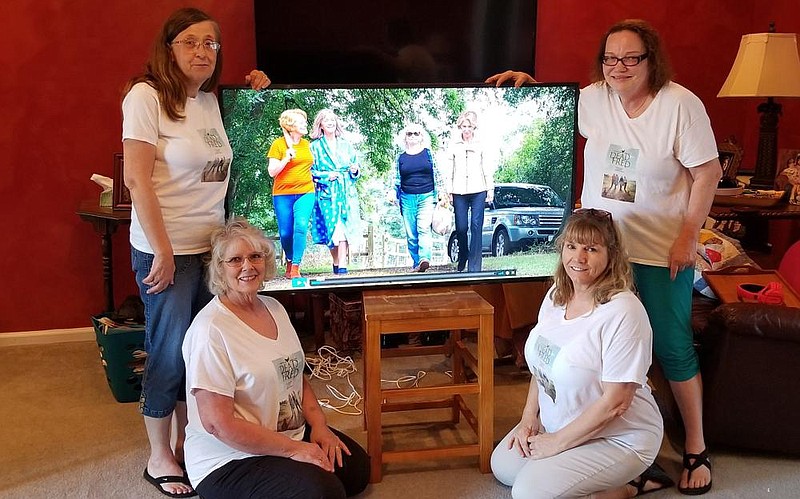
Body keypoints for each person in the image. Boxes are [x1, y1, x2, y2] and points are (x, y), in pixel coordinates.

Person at [488, 19, 721, 495]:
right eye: (611, 58)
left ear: (651, 60)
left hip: (660, 249)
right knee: (591, 350)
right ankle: (599, 446)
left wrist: (688, 235)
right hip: (601, 249)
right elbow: (559, 109)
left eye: (631, 57)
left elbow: (708, 172)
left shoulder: (680, 106)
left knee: (671, 346)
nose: (619, 67)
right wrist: (532, 86)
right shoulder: (594, 98)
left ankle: (695, 447)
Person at [122, 7, 270, 497]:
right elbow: (136, 178)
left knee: (204, 353)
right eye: (191, 41)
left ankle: (193, 440)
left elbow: (228, 159)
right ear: (169, 48)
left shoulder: (208, 101)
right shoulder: (145, 97)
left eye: (211, 43)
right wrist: (161, 250)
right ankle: (159, 455)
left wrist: (255, 95)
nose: (203, 51)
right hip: (167, 251)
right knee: (168, 352)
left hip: (211, 251)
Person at [182, 218, 370, 499]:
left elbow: (295, 376)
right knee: (325, 492)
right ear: (220, 269)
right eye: (235, 259)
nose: (248, 266)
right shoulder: (209, 330)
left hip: (283, 435)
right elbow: (217, 424)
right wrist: (296, 450)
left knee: (356, 470)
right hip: (229, 458)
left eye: (255, 256)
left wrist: (319, 426)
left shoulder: (274, 307)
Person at [491, 209, 669, 498]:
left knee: (528, 493)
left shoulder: (624, 312)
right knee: (503, 467)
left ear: (611, 255)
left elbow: (616, 403)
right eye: (571, 246)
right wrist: (528, 419)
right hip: (562, 423)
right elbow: (541, 367)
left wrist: (557, 442)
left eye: (591, 249)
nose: (579, 258)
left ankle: (628, 485)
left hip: (620, 437)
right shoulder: (556, 296)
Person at [309, 109, 362, 275]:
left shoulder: (346, 144)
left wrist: (354, 170)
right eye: (327, 120)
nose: (331, 123)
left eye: (333, 120)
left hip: (346, 192)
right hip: (327, 193)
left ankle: (343, 267)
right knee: (332, 231)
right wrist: (326, 176)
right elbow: (310, 171)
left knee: (343, 228)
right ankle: (336, 261)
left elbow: (356, 168)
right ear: (321, 125)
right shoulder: (314, 147)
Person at [444, 110, 494, 272]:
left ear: (474, 128)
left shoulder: (481, 144)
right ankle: (463, 253)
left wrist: (489, 189)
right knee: (461, 227)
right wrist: (448, 191)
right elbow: (449, 169)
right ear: (460, 127)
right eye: (464, 126)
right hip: (459, 191)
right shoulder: (453, 145)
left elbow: (487, 167)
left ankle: (475, 266)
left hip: (478, 189)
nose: (466, 129)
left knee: (476, 225)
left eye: (469, 126)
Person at [267, 108, 315, 279]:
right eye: (301, 122)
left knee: (301, 227)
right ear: (291, 126)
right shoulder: (278, 144)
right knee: (286, 232)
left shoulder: (307, 145)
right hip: (282, 194)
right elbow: (272, 172)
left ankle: (295, 266)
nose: (305, 125)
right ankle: (289, 258)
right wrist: (286, 158)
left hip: (306, 192)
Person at [389, 123, 441, 272]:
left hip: (427, 196)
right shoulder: (400, 157)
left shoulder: (428, 154)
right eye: (409, 134)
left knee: (423, 228)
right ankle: (417, 263)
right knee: (411, 234)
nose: (412, 136)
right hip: (407, 198)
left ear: (421, 136)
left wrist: (443, 194)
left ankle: (425, 258)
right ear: (405, 137)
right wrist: (392, 192)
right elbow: (395, 179)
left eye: (416, 133)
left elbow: (437, 175)